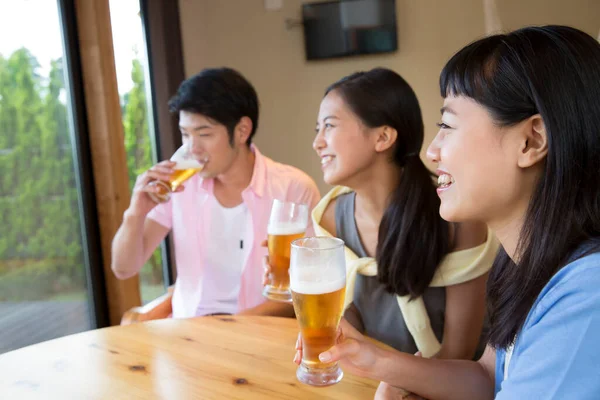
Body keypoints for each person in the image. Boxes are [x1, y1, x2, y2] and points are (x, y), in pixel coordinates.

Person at [297, 25, 600, 399]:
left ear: (531, 140)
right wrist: (373, 360)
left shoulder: (586, 293)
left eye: (448, 125)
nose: (432, 151)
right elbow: (488, 378)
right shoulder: (524, 258)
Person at [271, 67, 499, 362]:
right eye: (318, 129)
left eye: (329, 126)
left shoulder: (457, 216)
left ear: (383, 137)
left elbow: (459, 352)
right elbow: (350, 311)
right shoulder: (328, 217)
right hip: (373, 381)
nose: (317, 142)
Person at [112, 67, 320, 318]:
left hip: (260, 335)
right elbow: (123, 268)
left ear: (242, 130)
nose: (192, 149)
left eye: (204, 134)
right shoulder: (180, 185)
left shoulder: (292, 188)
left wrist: (229, 329)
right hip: (189, 335)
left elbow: (310, 289)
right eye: (185, 134)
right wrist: (136, 211)